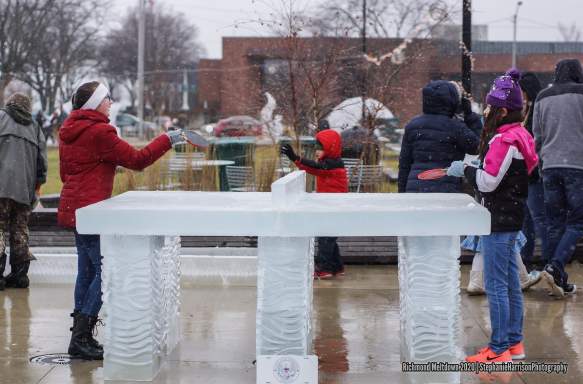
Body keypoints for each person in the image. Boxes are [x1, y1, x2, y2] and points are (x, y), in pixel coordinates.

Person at [58, 81, 186, 360]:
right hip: (92, 212)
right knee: (107, 273)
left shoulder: (68, 130)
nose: (111, 103)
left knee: (88, 271)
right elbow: (138, 160)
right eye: (107, 99)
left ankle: (79, 337)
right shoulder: (100, 132)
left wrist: (95, 175)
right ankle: (81, 337)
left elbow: (66, 174)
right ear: (95, 104)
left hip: (75, 209)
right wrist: (167, 139)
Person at [447, 69, 538, 363]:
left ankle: (498, 349)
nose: (485, 111)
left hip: (497, 221)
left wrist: (468, 169)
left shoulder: (502, 140)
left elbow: (488, 182)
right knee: (511, 284)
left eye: (488, 106)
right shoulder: (521, 135)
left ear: (500, 110)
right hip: (511, 217)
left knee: (496, 286)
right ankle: (514, 345)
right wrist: (479, 165)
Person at [533, 59, 583, 298]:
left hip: (550, 166)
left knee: (555, 223)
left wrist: (543, 159)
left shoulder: (543, 97)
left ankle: (558, 280)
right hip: (577, 166)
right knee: (577, 222)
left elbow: (537, 135)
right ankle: (555, 267)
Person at [280, 130, 348, 279]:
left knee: (325, 238)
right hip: (329, 207)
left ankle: (324, 268)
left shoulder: (333, 164)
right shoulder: (327, 164)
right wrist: (296, 160)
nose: (317, 152)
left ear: (330, 148)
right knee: (328, 238)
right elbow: (314, 168)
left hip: (334, 208)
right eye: (316, 148)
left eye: (320, 148)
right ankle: (336, 267)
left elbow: (315, 168)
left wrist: (296, 158)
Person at [398, 80, 481, 193]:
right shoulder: (456, 127)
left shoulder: (412, 126)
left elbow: (404, 164)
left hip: (415, 188)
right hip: (446, 188)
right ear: (452, 102)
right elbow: (477, 147)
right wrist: (470, 116)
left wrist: (402, 192)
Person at [0, 93, 47, 290]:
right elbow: (42, 163)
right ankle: (20, 275)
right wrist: (37, 185)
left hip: (1, 186)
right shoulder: (35, 127)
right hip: (24, 190)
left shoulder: (1, 118)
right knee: (20, 229)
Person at [518, 72, 547, 272]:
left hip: (533, 174)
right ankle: (527, 260)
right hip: (529, 174)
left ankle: (546, 260)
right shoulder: (528, 109)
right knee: (528, 218)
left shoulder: (536, 109)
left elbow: (534, 140)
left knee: (536, 218)